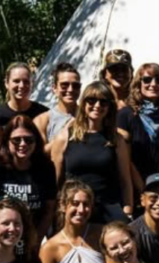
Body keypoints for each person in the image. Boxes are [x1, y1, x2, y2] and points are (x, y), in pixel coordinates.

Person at [49, 81, 134, 222]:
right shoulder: (65, 137)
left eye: (103, 102)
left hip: (108, 211)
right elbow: (54, 182)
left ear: (109, 107)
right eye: (91, 100)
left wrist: (128, 211)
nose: (97, 106)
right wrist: (55, 214)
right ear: (83, 103)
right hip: (75, 211)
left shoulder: (116, 140)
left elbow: (125, 180)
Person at [0, 115, 58, 253]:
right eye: (16, 140)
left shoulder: (45, 168)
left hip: (32, 241)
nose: (23, 144)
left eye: (28, 140)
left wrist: (35, 241)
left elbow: (49, 210)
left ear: (36, 142)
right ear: (7, 141)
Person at [118, 62, 159, 194]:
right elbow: (125, 159)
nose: (153, 84)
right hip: (136, 190)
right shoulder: (125, 115)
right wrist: (142, 189)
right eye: (147, 80)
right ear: (139, 83)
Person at [0, 63, 49, 136]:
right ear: (6, 83)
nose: (21, 86)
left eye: (26, 81)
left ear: (32, 83)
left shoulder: (43, 114)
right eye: (16, 81)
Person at [34, 63, 80, 144]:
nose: (70, 90)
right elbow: (42, 154)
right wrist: (65, 131)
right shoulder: (42, 121)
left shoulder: (89, 115)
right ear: (54, 88)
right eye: (64, 85)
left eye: (75, 85)